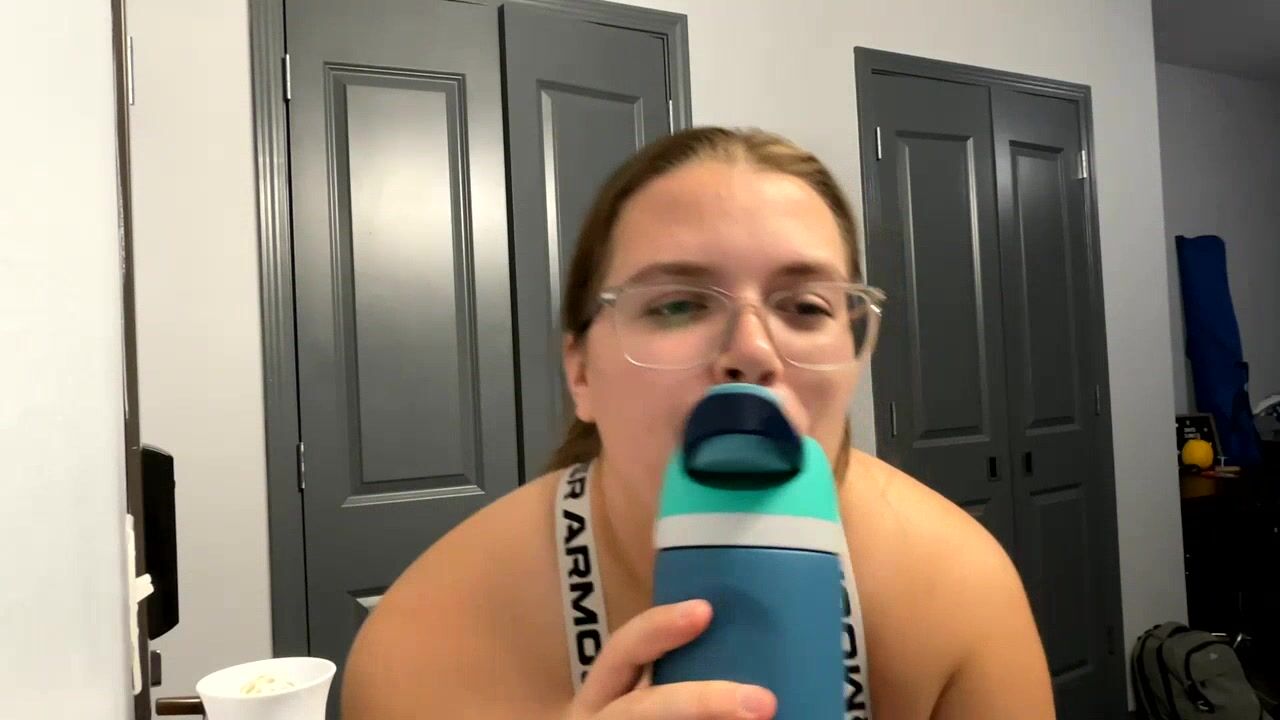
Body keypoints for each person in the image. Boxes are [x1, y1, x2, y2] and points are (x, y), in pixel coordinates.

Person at [341, 127, 1056, 719]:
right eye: (677, 305)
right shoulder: (428, 641)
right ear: (581, 373)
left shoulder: (957, 592)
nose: (752, 350)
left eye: (805, 306)